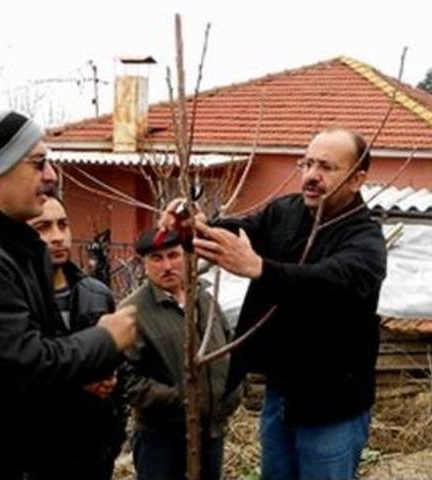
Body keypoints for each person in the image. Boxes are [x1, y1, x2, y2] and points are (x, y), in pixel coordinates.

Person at [0, 104, 136, 480]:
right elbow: (24, 366)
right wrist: (106, 338)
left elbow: (21, 349)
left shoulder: (7, 241)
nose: (51, 176)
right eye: (38, 163)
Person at [166, 127, 388, 479]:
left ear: (357, 179)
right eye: (307, 163)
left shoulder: (365, 241)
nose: (312, 176)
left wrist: (260, 268)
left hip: (333, 405)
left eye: (327, 168)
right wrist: (196, 228)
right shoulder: (286, 212)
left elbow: (330, 281)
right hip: (281, 393)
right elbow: (241, 232)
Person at [120, 229, 241, 480]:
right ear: (144, 264)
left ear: (187, 256)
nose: (167, 266)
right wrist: (184, 401)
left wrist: (229, 396)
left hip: (211, 431)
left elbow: (229, 347)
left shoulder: (205, 300)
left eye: (173, 255)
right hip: (161, 439)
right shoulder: (132, 312)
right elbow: (127, 379)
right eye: (156, 258)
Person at [27, 193, 128, 480]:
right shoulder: (17, 298)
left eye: (63, 225)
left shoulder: (96, 294)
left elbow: (121, 370)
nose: (57, 237)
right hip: (42, 455)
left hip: (95, 451)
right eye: (42, 228)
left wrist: (113, 436)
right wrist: (77, 384)